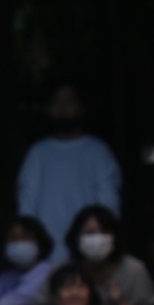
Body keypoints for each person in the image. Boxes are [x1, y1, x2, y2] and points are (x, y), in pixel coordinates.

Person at [17, 84, 121, 255]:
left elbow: (109, 205)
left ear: (81, 108)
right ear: (48, 109)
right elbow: (27, 205)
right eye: (57, 102)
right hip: (47, 256)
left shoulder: (98, 151)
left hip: (90, 253)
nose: (62, 108)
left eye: (69, 101)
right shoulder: (37, 153)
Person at [66, 204, 154, 305]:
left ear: (114, 237)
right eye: (90, 233)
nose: (97, 238)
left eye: (103, 232)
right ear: (76, 238)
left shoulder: (134, 270)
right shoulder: (64, 271)